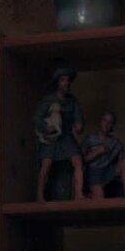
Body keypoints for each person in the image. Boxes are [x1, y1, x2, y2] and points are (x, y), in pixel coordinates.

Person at [34, 67, 84, 202]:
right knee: (46, 164)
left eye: (68, 80)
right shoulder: (48, 100)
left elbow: (78, 119)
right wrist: (46, 127)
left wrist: (79, 125)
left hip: (66, 135)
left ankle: (78, 194)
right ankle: (39, 195)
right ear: (58, 83)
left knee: (77, 161)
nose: (66, 83)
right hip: (51, 137)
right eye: (63, 80)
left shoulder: (72, 101)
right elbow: (37, 119)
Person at [82, 110, 125, 199]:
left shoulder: (115, 142)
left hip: (108, 171)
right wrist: (97, 152)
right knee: (99, 196)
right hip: (94, 172)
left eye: (110, 122)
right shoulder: (90, 139)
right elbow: (82, 160)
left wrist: (122, 156)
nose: (106, 124)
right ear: (100, 122)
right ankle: (90, 194)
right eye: (104, 120)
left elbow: (122, 156)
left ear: (112, 125)